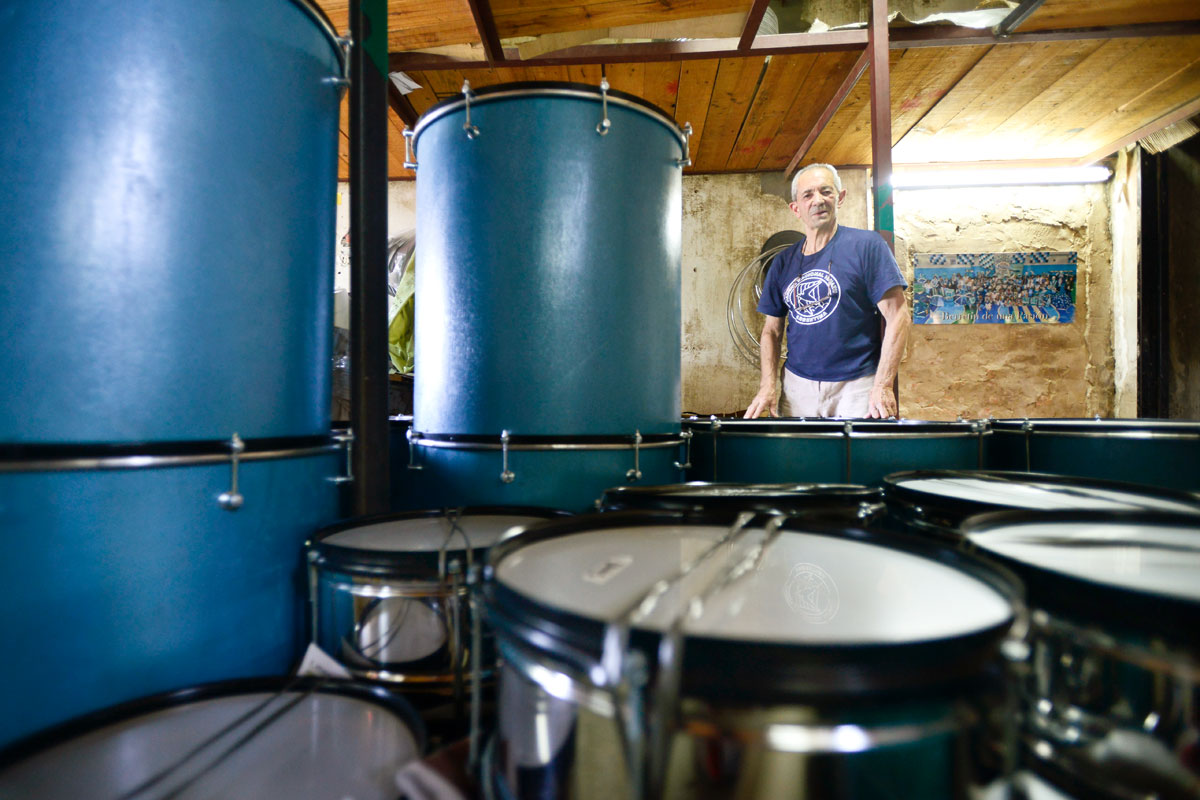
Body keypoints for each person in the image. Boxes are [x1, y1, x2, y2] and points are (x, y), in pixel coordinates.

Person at [744, 164, 910, 419]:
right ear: (796, 208)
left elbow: (898, 315)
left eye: (826, 192)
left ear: (840, 197)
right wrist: (768, 385)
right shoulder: (783, 262)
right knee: (799, 458)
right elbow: (771, 331)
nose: (818, 200)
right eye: (808, 195)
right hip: (798, 386)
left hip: (857, 385)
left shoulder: (867, 246)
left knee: (857, 458)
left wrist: (883, 384)